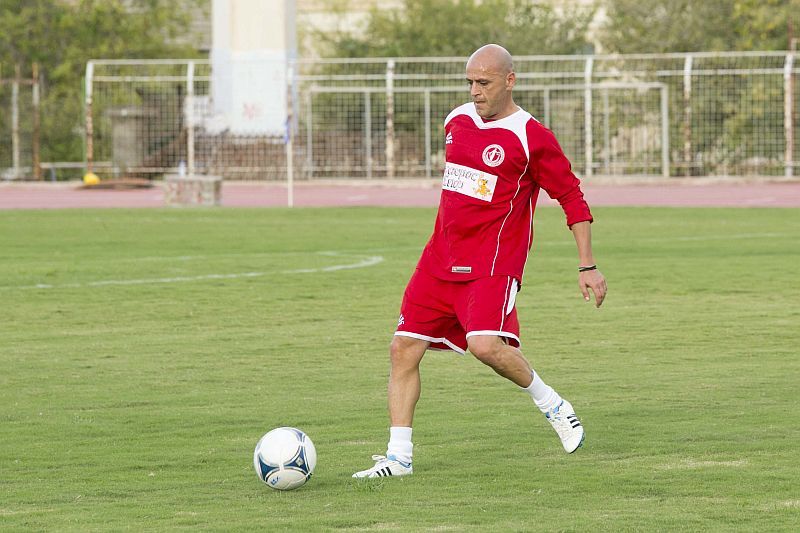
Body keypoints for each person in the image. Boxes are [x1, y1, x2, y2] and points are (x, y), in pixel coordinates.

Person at [353, 44, 607, 478]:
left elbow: (570, 196)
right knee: (403, 348)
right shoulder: (456, 120)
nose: (475, 91)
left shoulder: (531, 136)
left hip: (493, 264)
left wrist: (587, 265)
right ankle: (398, 458)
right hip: (438, 259)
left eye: (484, 82)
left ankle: (552, 404)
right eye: (470, 82)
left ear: (510, 80)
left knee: (485, 346)